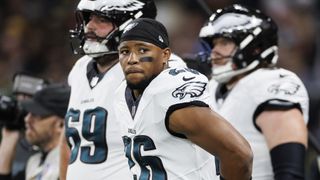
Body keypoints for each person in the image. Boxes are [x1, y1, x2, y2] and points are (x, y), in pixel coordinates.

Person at [60, 0, 186, 179]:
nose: (89, 26)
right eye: (89, 19)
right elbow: (67, 141)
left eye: (102, 20)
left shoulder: (156, 66)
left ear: (130, 25)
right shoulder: (80, 69)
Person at [114, 17, 253, 180]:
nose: (132, 59)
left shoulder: (170, 94)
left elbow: (239, 154)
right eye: (125, 51)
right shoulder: (121, 94)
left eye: (143, 50)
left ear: (165, 55)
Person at [198, 4, 309, 180]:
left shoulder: (272, 83)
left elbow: (290, 171)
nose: (214, 52)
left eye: (225, 42)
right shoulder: (212, 87)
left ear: (255, 47)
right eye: (214, 44)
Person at [0, 84, 70, 180]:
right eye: (29, 113)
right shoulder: (34, 162)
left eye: (36, 114)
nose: (27, 119)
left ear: (60, 125)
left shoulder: (70, 165)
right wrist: (9, 138)